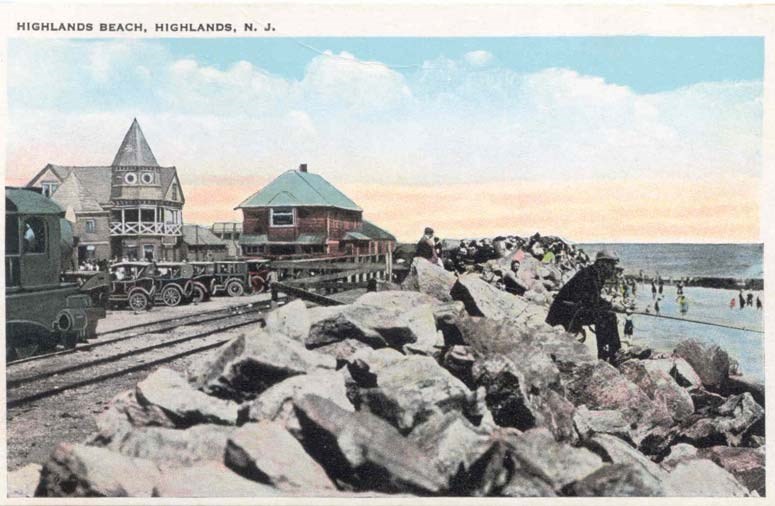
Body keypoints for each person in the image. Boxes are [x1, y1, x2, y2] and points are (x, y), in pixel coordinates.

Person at [545, 249, 621, 363]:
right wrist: (611, 306)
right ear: (602, 263)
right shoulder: (591, 275)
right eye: (612, 265)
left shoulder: (595, 273)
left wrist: (611, 305)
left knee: (607, 315)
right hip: (563, 314)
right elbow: (592, 302)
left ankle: (609, 354)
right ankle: (611, 354)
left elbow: (592, 299)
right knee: (607, 316)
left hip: (569, 311)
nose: (613, 269)